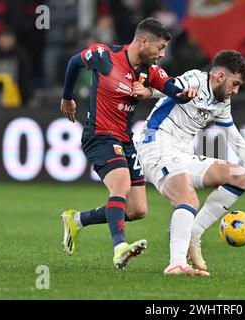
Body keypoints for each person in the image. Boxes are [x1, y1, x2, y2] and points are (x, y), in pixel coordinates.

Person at [134, 50, 245, 276]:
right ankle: (176, 263)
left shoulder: (222, 103)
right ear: (219, 76)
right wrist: (148, 91)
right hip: (155, 145)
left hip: (181, 154)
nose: (235, 91)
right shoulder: (195, 79)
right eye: (234, 84)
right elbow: (168, 86)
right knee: (187, 199)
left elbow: (237, 142)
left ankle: (194, 234)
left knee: (239, 176)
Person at [59, 17, 197, 269]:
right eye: (160, 48)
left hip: (125, 140)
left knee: (137, 210)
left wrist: (184, 95)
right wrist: (67, 98)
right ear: (144, 41)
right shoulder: (103, 55)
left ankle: (76, 220)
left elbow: (171, 89)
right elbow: (73, 62)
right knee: (120, 187)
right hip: (99, 134)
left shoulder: (150, 72)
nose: (162, 54)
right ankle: (119, 247)